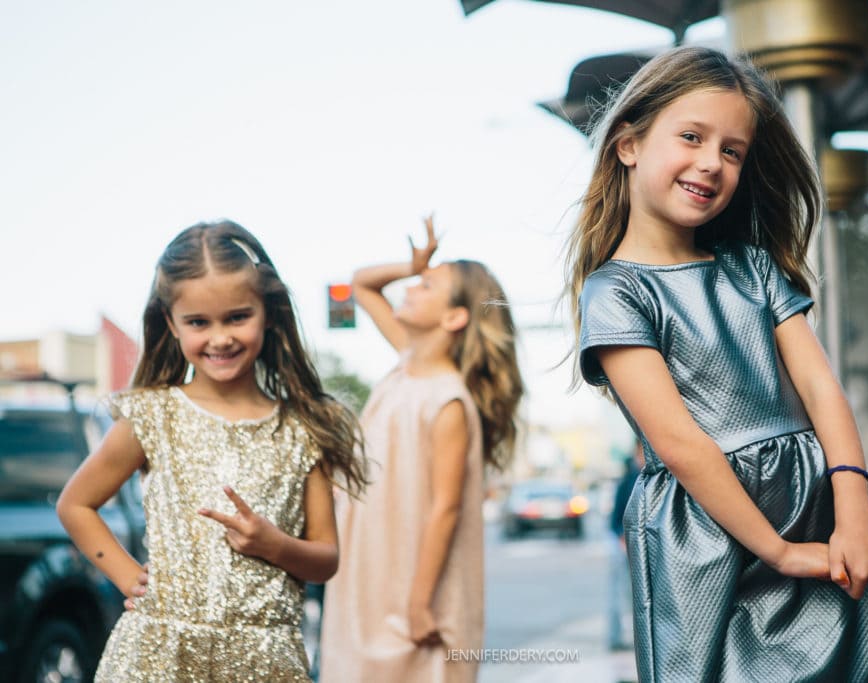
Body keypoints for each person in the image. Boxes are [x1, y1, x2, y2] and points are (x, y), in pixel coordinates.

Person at [565, 46, 868, 681]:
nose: (711, 163)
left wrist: (855, 513)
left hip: (814, 502)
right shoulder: (616, 291)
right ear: (628, 145)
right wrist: (779, 551)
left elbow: (821, 388)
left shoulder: (753, 267)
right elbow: (679, 442)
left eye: (732, 150)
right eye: (692, 137)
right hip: (704, 536)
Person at [57, 220, 368, 681]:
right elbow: (75, 504)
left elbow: (326, 558)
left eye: (237, 317)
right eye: (199, 322)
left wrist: (274, 545)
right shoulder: (152, 416)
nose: (220, 338)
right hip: (157, 658)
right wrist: (127, 577)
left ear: (268, 312)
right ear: (172, 323)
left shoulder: (303, 430)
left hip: (265, 659)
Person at [318, 217, 524, 683]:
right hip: (372, 567)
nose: (411, 287)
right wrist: (413, 264)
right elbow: (362, 285)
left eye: (425, 285)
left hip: (415, 583)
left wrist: (420, 601)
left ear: (455, 317)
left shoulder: (447, 399)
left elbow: (445, 508)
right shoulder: (406, 364)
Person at [608, 440, 643, 651]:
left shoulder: (644, 476)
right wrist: (622, 539)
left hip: (639, 545)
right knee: (620, 593)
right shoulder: (629, 479)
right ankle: (617, 637)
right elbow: (615, 518)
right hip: (625, 545)